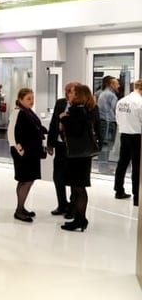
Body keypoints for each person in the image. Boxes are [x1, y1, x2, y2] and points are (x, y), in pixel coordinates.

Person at [60, 84, 101, 231]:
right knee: (78, 187)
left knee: (78, 188)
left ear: (78, 95)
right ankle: (79, 218)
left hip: (78, 156)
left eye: (72, 92)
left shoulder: (77, 112)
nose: (69, 95)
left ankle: (80, 219)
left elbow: (76, 131)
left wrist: (64, 120)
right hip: (81, 155)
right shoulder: (84, 110)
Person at [7, 88, 47, 223]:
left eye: (32, 98)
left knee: (25, 180)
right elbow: (11, 133)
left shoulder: (28, 111)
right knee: (26, 180)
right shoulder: (17, 112)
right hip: (24, 152)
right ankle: (19, 210)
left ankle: (21, 207)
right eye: (28, 98)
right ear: (20, 99)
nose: (32, 101)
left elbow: (34, 127)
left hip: (31, 152)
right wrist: (20, 149)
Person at [47, 81, 77, 218]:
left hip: (73, 147)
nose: (67, 93)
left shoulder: (80, 106)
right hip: (59, 145)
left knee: (72, 178)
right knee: (58, 177)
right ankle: (62, 204)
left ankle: (73, 207)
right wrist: (50, 143)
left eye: (70, 91)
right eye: (66, 90)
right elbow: (53, 123)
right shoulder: (60, 103)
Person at [114, 79, 142, 206]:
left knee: (122, 163)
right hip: (137, 136)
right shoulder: (140, 102)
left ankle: (118, 190)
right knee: (137, 167)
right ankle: (137, 196)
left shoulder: (122, 101)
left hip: (124, 134)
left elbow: (117, 119)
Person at [96, 76, 119, 173]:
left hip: (103, 121)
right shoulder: (111, 95)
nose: (118, 85)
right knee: (106, 144)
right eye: (117, 83)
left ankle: (102, 166)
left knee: (104, 144)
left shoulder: (101, 93)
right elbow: (115, 110)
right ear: (111, 84)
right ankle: (103, 167)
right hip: (108, 122)